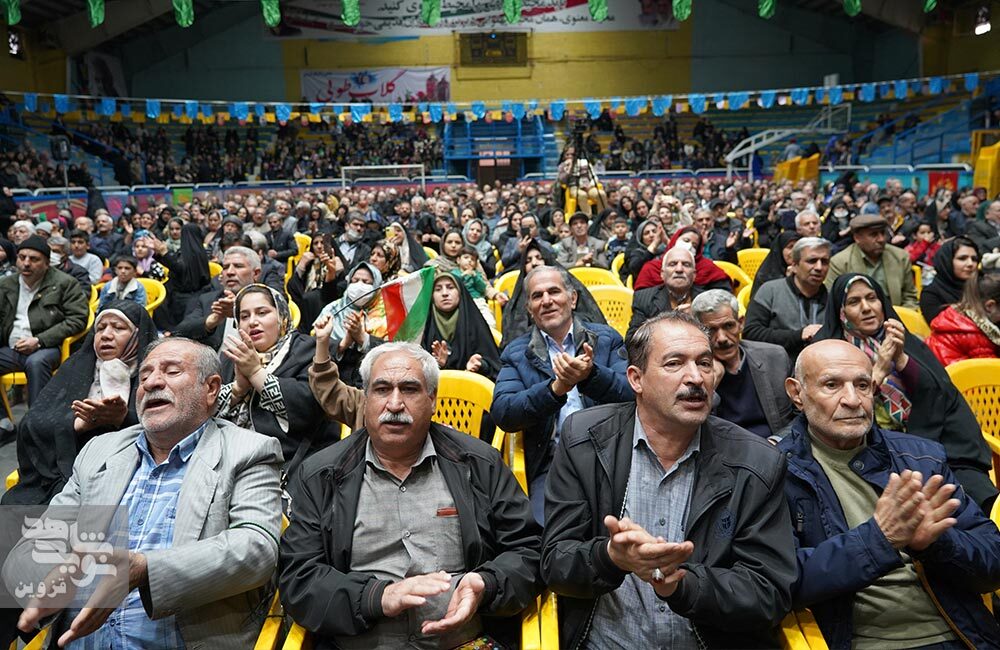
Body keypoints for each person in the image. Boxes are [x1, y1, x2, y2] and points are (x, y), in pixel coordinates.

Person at [4, 338, 283, 648]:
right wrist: (53, 571)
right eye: (145, 374)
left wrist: (147, 570)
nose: (152, 382)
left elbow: (257, 548)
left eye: (171, 370)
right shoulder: (101, 451)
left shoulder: (248, 451)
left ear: (211, 388)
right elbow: (35, 545)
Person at [540, 311, 796, 649]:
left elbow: (769, 592)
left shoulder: (756, 462)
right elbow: (556, 562)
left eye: (705, 364)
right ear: (636, 379)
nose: (696, 378)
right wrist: (611, 558)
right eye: (675, 364)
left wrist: (683, 585)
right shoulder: (583, 440)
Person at [278, 342, 542, 649]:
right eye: (381, 389)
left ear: (432, 400)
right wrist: (378, 596)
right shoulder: (321, 475)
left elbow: (528, 551)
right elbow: (299, 578)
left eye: (409, 389)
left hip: (462, 641)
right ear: (365, 398)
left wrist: (486, 583)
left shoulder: (479, 464)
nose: (394, 404)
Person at [778, 339, 1000, 649]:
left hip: (960, 634)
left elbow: (993, 565)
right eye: (832, 385)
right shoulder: (776, 471)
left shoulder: (921, 459)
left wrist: (934, 544)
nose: (853, 400)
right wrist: (879, 539)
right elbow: (780, 583)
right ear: (796, 393)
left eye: (862, 385)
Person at [814, 273, 997, 509]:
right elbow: (840, 410)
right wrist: (878, 371)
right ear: (841, 311)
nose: (867, 308)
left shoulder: (904, 341)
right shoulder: (829, 352)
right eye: (854, 302)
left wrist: (901, 359)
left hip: (933, 439)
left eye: (872, 298)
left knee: (977, 500)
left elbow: (941, 395)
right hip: (872, 450)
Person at [492, 265, 634, 523]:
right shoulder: (516, 352)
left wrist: (591, 376)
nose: (546, 301)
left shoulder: (605, 339)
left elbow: (632, 392)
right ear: (529, 308)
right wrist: (555, 390)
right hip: (551, 463)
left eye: (554, 291)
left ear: (573, 298)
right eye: (537, 296)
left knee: (620, 532)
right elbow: (504, 411)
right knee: (550, 540)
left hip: (610, 457)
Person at [3, 300, 158, 507]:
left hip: (129, 477)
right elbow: (31, 424)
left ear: (138, 335)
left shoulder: (155, 374)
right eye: (100, 328)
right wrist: (77, 425)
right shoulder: (77, 366)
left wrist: (124, 419)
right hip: (67, 467)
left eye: (118, 328)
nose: (106, 335)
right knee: (16, 507)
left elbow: (170, 430)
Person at [217, 284, 330, 462]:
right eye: (244, 316)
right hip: (227, 455)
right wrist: (238, 389)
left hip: (287, 461)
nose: (252, 322)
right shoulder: (232, 356)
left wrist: (256, 373)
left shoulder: (307, 349)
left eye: (262, 313)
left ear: (282, 316)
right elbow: (206, 408)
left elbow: (309, 408)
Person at [692, 289, 794, 439]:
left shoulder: (775, 358)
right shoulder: (692, 372)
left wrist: (777, 441)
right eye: (711, 330)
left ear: (741, 323)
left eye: (728, 326)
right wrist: (712, 383)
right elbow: (692, 428)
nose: (721, 338)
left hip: (776, 447)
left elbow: (801, 416)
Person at [0, 235, 89, 406]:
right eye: (22, 257)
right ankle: (3, 419)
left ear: (47, 263)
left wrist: (39, 340)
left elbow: (78, 319)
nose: (26, 263)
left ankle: (35, 424)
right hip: (11, 348)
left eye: (34, 259)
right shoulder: (6, 284)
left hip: (47, 347)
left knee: (36, 363)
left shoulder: (65, 283)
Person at [498, 239, 607, 348]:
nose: (534, 263)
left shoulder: (572, 289)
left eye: (539, 258)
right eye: (528, 261)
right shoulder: (516, 303)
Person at [744, 237, 831, 359]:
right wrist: (798, 335)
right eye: (812, 261)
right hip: (776, 364)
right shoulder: (770, 291)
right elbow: (751, 333)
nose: (819, 267)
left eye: (825, 262)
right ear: (794, 265)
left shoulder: (832, 298)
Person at [313, 262, 386, 388]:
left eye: (366, 282)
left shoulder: (386, 314)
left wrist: (363, 339)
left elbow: (392, 352)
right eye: (355, 280)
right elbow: (313, 345)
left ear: (376, 285)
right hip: (333, 380)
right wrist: (342, 345)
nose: (359, 285)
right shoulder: (333, 310)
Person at [173, 246, 261, 350]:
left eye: (238, 266)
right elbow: (179, 332)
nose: (230, 272)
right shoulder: (208, 300)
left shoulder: (268, 301)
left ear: (255, 273)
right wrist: (212, 320)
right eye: (225, 267)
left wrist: (239, 309)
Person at [422, 271, 502, 382]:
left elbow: (496, 367)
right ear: (432, 296)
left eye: (450, 287)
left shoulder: (474, 322)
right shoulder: (424, 327)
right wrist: (438, 365)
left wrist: (481, 365)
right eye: (438, 289)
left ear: (460, 292)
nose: (445, 293)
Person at [826, 213, 919, 308]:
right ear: (857, 238)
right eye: (874, 234)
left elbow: (910, 297)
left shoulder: (900, 257)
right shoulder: (839, 262)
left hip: (896, 316)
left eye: (883, 233)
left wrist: (901, 319)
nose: (881, 239)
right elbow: (834, 303)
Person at [927, 267, 1000, 365]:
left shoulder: (958, 316)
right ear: (990, 306)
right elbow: (990, 372)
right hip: (953, 378)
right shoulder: (975, 337)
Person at [626, 246, 699, 341]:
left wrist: (696, 320)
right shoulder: (644, 298)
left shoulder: (705, 299)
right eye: (672, 264)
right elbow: (632, 340)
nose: (679, 269)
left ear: (694, 275)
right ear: (662, 274)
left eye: (686, 264)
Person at [150, 222, 211, 331]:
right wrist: (160, 253)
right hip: (186, 293)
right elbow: (174, 265)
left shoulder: (193, 253)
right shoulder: (197, 251)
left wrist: (164, 252)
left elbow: (180, 269)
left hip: (186, 296)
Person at [633, 226, 732, 293]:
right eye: (686, 240)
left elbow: (724, 291)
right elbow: (641, 298)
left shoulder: (706, 267)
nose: (689, 246)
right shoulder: (652, 268)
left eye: (694, 245)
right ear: (674, 240)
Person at [919, 236, 980, 322]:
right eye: (962, 258)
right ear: (947, 262)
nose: (970, 264)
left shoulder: (982, 287)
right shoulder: (931, 294)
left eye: (974, 259)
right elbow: (942, 327)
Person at [749, 231, 801, 300]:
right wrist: (787, 282)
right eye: (790, 247)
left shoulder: (804, 271)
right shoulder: (765, 276)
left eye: (798, 247)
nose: (794, 252)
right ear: (780, 249)